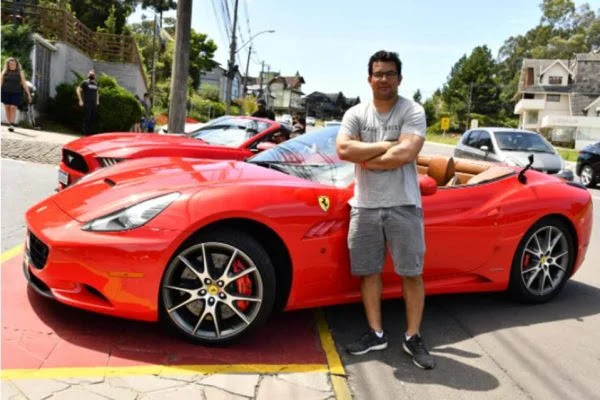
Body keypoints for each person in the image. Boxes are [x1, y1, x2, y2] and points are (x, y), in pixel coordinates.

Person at [336, 50, 435, 370]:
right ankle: (376, 333)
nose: (383, 79)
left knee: (412, 273)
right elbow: (343, 149)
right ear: (369, 79)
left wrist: (366, 157)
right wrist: (386, 145)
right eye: (378, 73)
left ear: (399, 79)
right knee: (369, 272)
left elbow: (405, 153)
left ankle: (413, 336)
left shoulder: (412, 110)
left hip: (404, 204)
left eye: (390, 73)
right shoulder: (355, 113)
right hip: (364, 205)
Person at [1, 57, 32, 132]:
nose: (12, 65)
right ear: (8, 65)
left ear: (16, 64)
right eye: (10, 64)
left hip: (16, 92)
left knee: (13, 107)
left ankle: (12, 124)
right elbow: (1, 83)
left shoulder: (20, 72)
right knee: (7, 107)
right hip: (5, 92)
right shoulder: (4, 72)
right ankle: (9, 124)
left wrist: (28, 94)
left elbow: (24, 83)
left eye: (14, 64)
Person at [76, 70, 100, 135]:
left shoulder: (96, 83)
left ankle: (91, 133)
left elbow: (97, 92)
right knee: (87, 117)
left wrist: (97, 100)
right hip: (87, 103)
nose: (92, 75)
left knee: (93, 118)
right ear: (88, 75)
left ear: (94, 76)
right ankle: (85, 133)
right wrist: (80, 100)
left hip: (94, 104)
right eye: (90, 74)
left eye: (93, 74)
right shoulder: (85, 82)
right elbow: (78, 89)